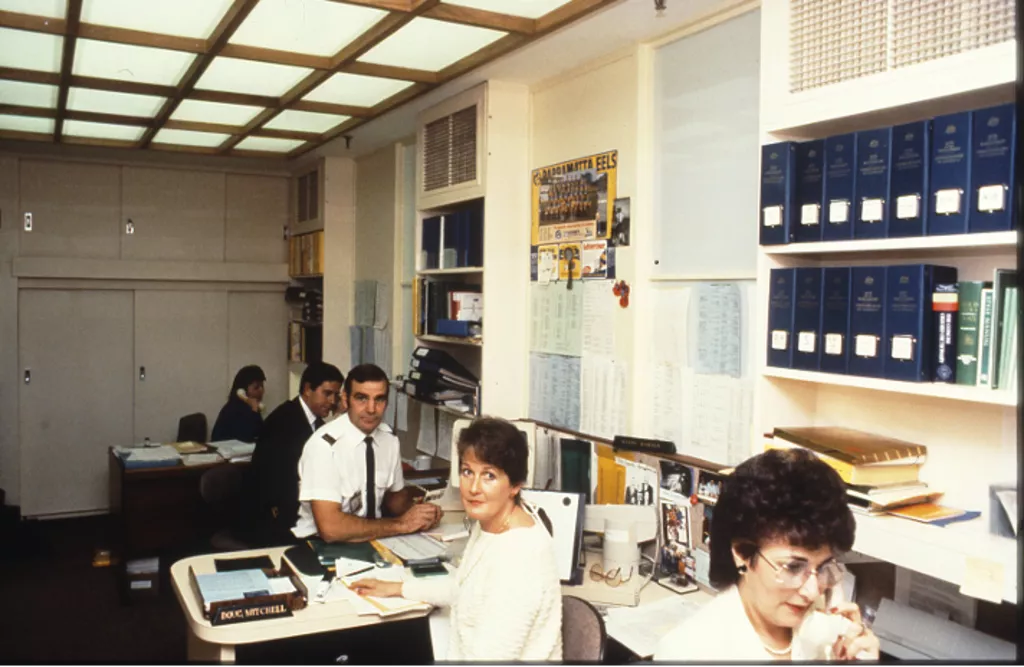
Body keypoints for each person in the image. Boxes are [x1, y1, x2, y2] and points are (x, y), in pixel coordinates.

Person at [351, 417, 563, 661]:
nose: (473, 487)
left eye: (489, 476)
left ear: (515, 485)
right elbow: (465, 590)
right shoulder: (491, 526)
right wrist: (398, 588)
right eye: (467, 471)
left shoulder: (519, 556)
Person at [655, 449, 880, 661]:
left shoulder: (824, 632)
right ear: (742, 554)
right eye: (793, 567)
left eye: (823, 567)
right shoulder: (687, 651)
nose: (812, 592)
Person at [292, 364, 442, 542]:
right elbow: (330, 529)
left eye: (379, 399)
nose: (371, 409)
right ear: (346, 400)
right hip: (322, 546)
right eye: (362, 398)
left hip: (374, 539)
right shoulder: (324, 447)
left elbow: (396, 501)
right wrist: (401, 524)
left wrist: (423, 512)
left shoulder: (389, 440)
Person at [241, 362, 344, 547]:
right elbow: (278, 484)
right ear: (307, 389)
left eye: (336, 395)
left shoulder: (318, 425)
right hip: (271, 519)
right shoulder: (283, 421)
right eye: (327, 393)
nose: (332, 401)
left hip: (298, 510)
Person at [210, 365, 266, 443]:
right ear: (242, 391)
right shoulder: (233, 409)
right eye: (256, 387)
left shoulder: (252, 408)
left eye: (262, 386)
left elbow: (261, 434)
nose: (261, 390)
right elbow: (247, 437)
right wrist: (254, 411)